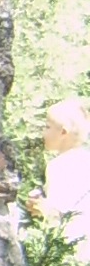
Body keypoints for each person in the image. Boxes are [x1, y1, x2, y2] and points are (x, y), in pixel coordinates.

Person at [43, 97, 90, 254]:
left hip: (71, 247)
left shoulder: (59, 166)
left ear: (63, 132)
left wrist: (40, 207)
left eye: (47, 127)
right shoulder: (85, 159)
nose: (43, 133)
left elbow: (56, 212)